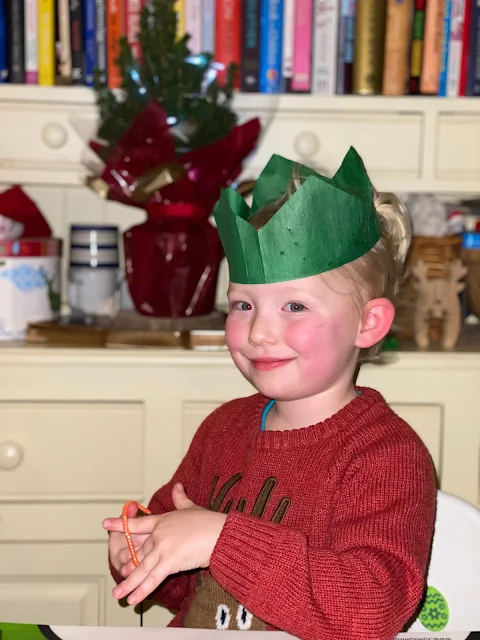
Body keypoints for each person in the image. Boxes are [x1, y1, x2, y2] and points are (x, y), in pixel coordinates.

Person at [103, 148, 437, 640]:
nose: (259, 331)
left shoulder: (386, 457)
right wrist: (142, 550)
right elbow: (185, 588)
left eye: (295, 305)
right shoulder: (222, 429)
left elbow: (371, 610)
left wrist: (220, 539)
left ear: (368, 324)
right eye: (243, 304)